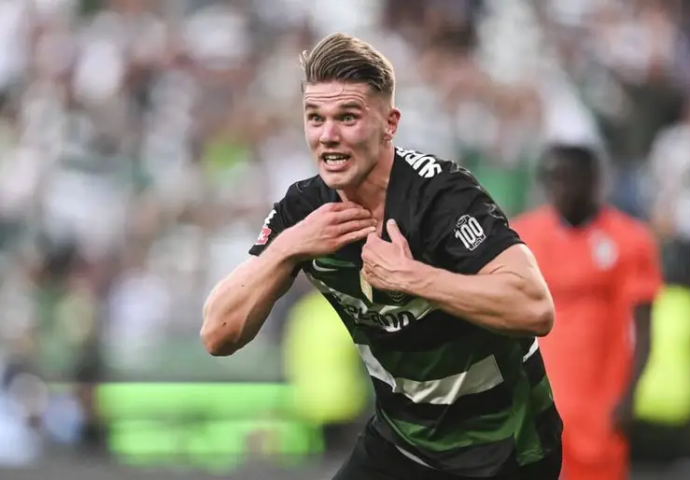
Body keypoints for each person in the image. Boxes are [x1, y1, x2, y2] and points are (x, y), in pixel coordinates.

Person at [201, 33, 562, 480]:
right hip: (402, 441)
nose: (328, 136)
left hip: (504, 447)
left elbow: (534, 308)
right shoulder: (304, 212)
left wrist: (412, 277)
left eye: (347, 117)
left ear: (389, 124)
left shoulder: (441, 198)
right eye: (315, 118)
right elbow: (218, 334)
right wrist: (288, 247)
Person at [512, 144, 663, 480]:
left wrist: (630, 395)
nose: (562, 188)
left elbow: (644, 328)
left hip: (600, 407)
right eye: (553, 179)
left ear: (594, 181)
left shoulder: (630, 239)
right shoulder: (523, 237)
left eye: (570, 178)